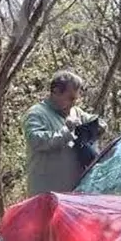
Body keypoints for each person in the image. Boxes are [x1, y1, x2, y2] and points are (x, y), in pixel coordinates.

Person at [23, 69, 103, 197]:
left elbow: (96, 122)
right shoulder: (37, 114)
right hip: (46, 195)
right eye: (70, 98)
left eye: (76, 99)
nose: (73, 103)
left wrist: (97, 127)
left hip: (73, 194)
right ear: (56, 92)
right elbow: (36, 141)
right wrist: (66, 132)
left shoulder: (75, 112)